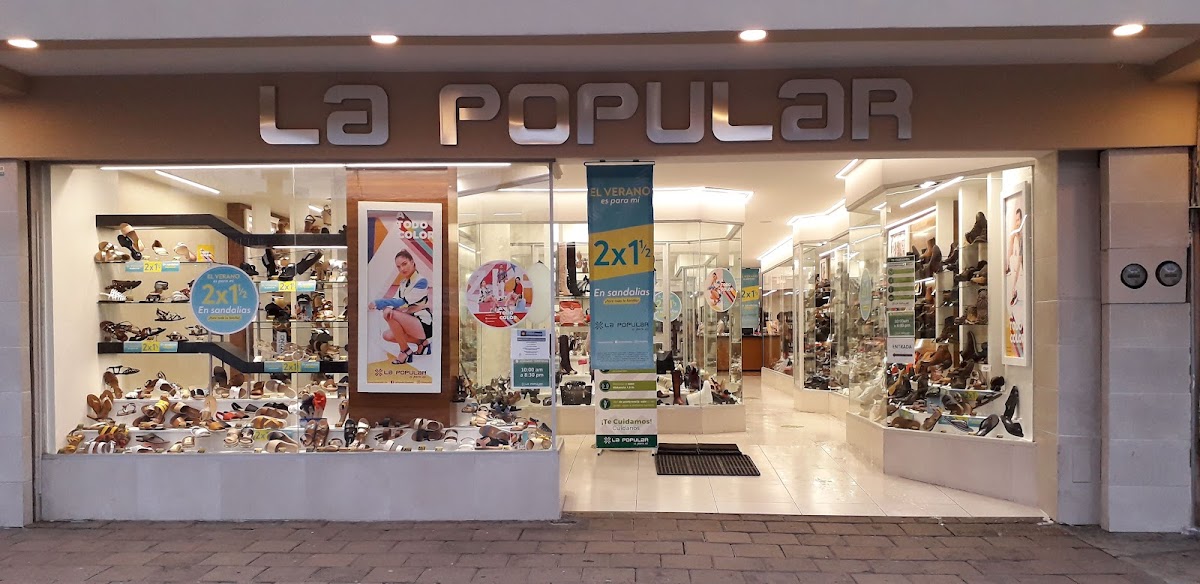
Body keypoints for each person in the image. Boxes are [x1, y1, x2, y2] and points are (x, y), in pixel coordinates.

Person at [369, 250, 433, 364]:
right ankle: (422, 343)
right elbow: (394, 300)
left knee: (390, 313)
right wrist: (389, 306)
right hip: (411, 321)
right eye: (398, 267)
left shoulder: (421, 281)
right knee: (387, 335)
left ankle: (405, 351)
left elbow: (403, 302)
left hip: (423, 323)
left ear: (412, 262)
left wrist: (379, 303)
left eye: (404, 264)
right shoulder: (403, 283)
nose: (402, 269)